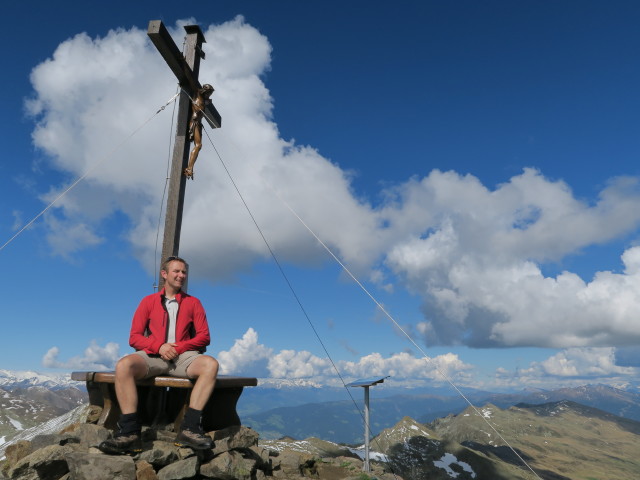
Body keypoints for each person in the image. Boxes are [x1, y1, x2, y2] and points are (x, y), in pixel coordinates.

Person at [99, 256, 219, 454]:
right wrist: (159, 346)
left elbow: (204, 337)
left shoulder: (194, 303)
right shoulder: (148, 302)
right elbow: (134, 337)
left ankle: (189, 429)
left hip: (183, 357)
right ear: (164, 274)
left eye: (184, 272)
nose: (181, 275)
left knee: (210, 365)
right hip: (154, 356)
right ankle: (129, 433)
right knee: (123, 366)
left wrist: (178, 347)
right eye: (176, 271)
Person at [183, 84, 214, 180]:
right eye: (209, 93)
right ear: (205, 91)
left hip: (198, 124)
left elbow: (206, 101)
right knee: (198, 145)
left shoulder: (203, 100)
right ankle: (189, 168)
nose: (210, 95)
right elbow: (198, 90)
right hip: (194, 123)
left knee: (199, 146)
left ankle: (189, 168)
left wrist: (207, 101)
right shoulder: (198, 97)